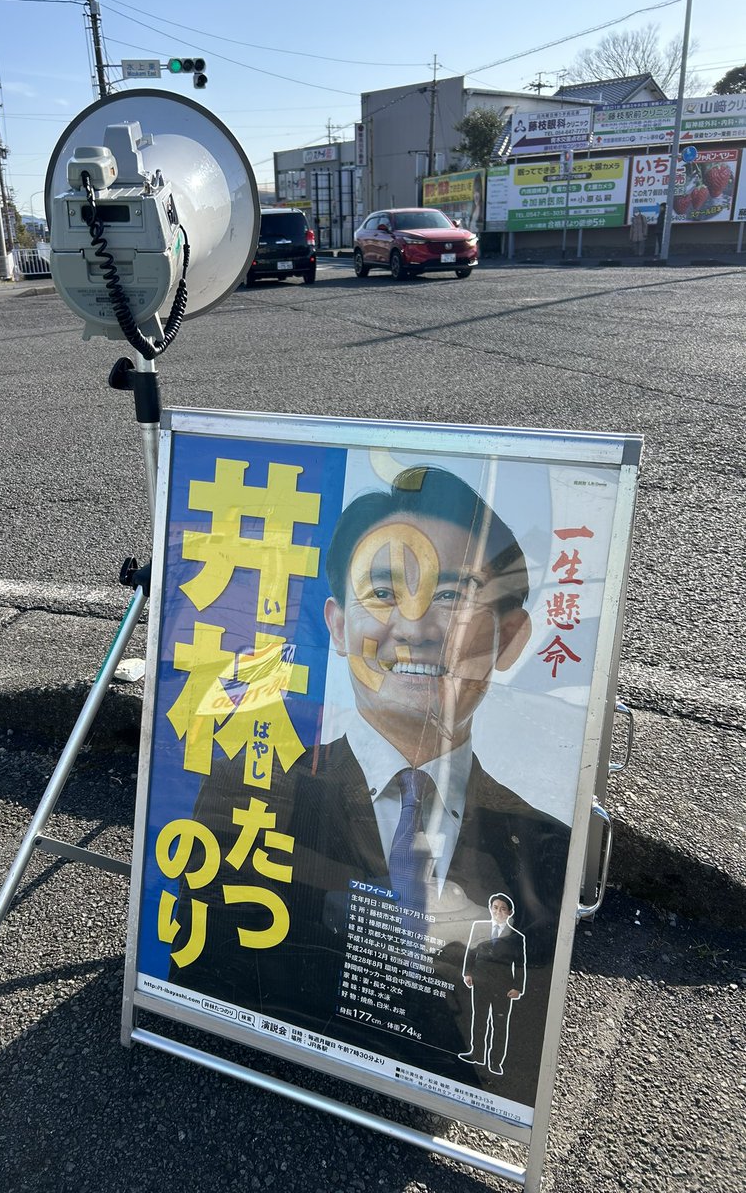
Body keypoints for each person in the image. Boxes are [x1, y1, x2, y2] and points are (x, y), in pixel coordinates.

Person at [168, 466, 570, 1093]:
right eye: (382, 592)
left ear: (510, 634)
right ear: (337, 625)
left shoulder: (545, 845)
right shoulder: (249, 789)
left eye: (452, 595)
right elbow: (203, 977)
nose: (414, 628)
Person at [460, 893, 526, 1076]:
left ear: (510, 912)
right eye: (495, 907)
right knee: (479, 1018)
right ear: (490, 909)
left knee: (499, 1024)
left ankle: (496, 1062)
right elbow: (471, 951)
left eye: (503, 909)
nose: (498, 912)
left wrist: (518, 987)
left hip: (503, 986)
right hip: (480, 980)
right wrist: (467, 972)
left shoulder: (516, 937)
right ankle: (476, 1054)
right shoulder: (479, 927)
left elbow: (520, 964)